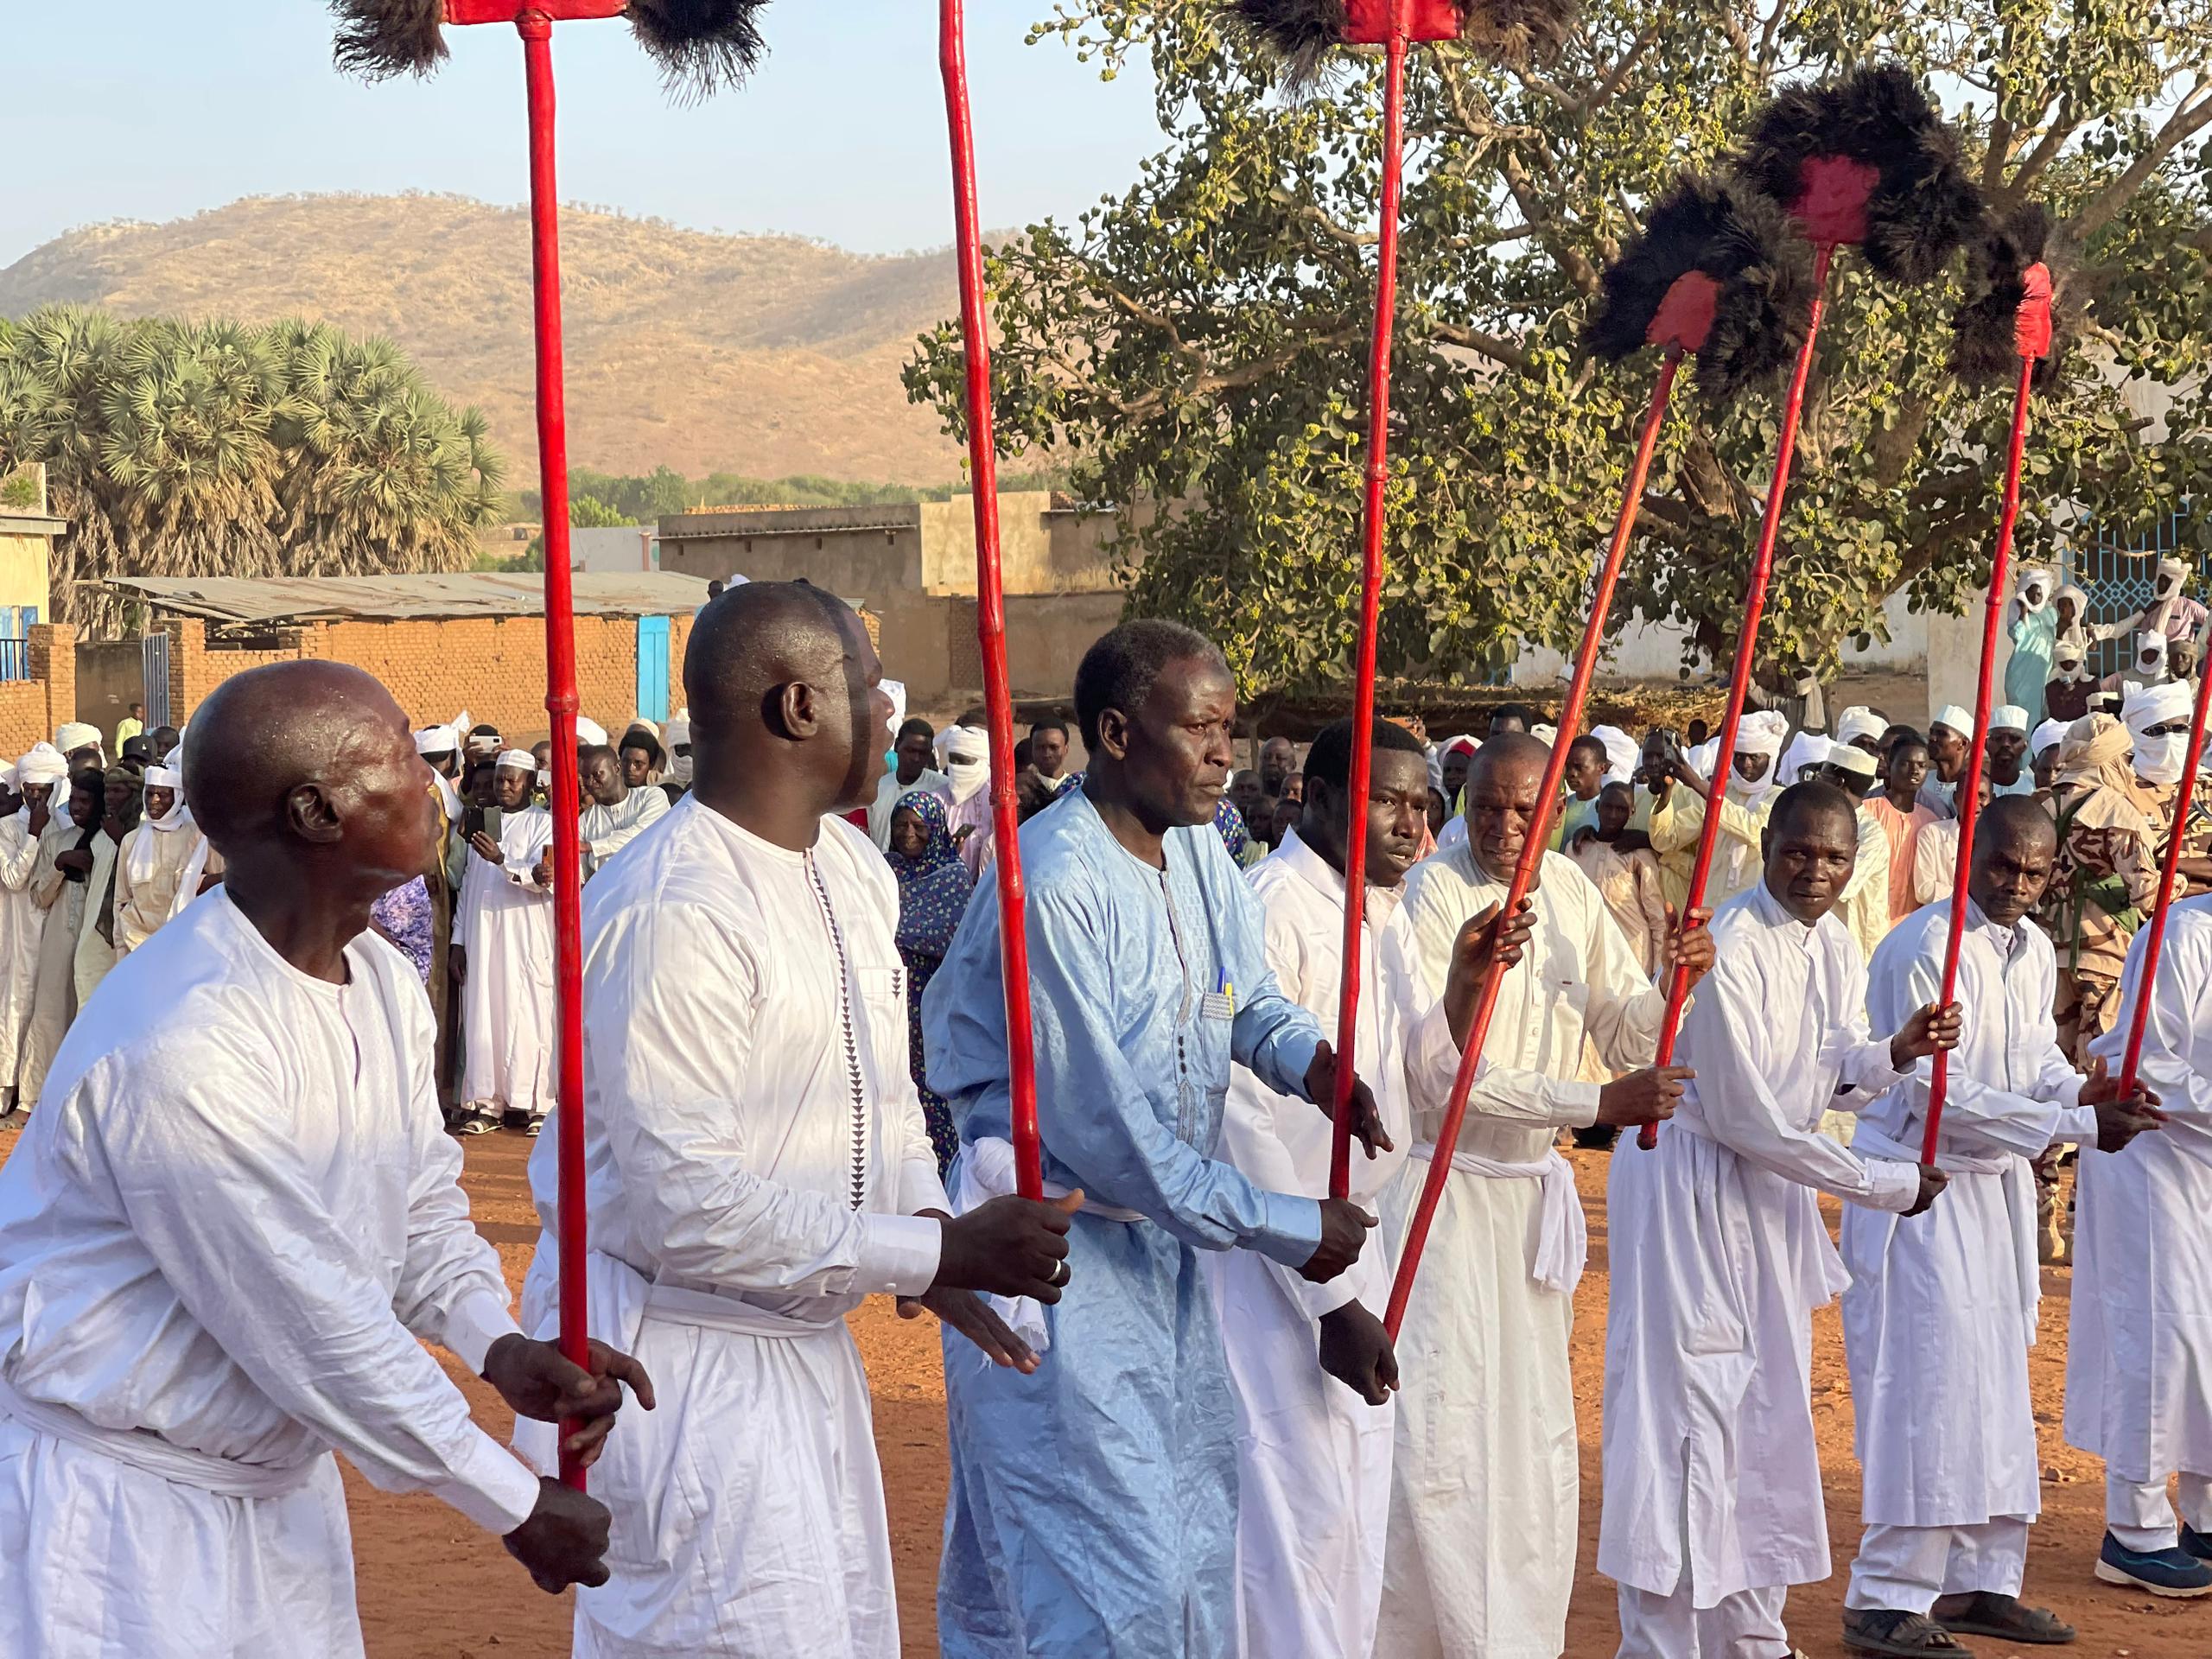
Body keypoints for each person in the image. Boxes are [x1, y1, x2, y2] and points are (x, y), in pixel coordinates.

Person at [0, 660, 645, 1659]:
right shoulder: (184, 1045)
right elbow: (313, 1323)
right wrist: (514, 1499)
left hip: (278, 1502)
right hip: (119, 1531)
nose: (429, 779)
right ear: (315, 810)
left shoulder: (381, 980)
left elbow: (419, 1205)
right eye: (396, 751)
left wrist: (497, 1343)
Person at [518, 581, 1074, 1659]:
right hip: (682, 1372)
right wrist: (930, 1247)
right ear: (797, 708)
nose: (886, 710)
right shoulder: (675, 908)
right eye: (867, 685)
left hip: (803, 1355)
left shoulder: (853, 868)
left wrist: (926, 1231)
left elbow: (886, 1092)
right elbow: (689, 1209)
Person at [927, 619, 1384, 1658]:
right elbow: (1111, 1137)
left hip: (1166, 1263)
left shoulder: (1202, 856)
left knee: (1185, 1544)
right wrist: (1289, 1228)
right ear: (1118, 733)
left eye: (1231, 729)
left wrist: (1311, 1063)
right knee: (1090, 1571)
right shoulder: (1054, 883)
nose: (1227, 755)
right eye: (1203, 729)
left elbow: (1245, 997)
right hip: (1053, 1253)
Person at [1601, 783, 1956, 1658]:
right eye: (1800, 852)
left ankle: (1750, 1633)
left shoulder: (1832, 941)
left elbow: (1828, 1066)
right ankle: (1662, 1642)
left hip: (1769, 1199)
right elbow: (1746, 1118)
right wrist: (1882, 1184)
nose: (1816, 871)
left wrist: (1893, 1052)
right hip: (1692, 1192)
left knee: (1767, 1410)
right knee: (1683, 1414)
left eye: (1834, 857)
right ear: (1767, 848)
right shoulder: (1724, 943)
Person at [1386, 733, 1713, 1659]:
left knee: (1527, 1439)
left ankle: (1511, 1639)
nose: (1501, 826)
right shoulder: (1428, 895)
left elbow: (1630, 1035)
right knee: (1438, 1433)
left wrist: (1679, 979)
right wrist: (1594, 1104)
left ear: (1556, 809)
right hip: (1441, 1201)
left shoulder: (1569, 891)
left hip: (1529, 1204)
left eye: (1523, 811)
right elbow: (1443, 1079)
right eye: (1484, 805)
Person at [1214, 717, 1525, 1659]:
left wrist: (1465, 989)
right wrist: (1329, 1296)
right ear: (1315, 797)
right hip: (1281, 1261)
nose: (1409, 825)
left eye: (1419, 804)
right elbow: (1234, 1115)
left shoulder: (1382, 916)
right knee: (1289, 1521)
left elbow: (1415, 1097)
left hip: (1363, 1237)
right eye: (1385, 801)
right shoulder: (1268, 907)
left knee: (1352, 1511)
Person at [1840, 797, 2166, 1656]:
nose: (2015, 885)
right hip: (1923, 1187)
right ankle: (1884, 1594)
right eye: (2000, 866)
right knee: (1923, 1389)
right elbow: (1936, 1096)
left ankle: (1978, 1582)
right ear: (1969, 856)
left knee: (1991, 1392)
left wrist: (2080, 1094)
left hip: (1993, 1197)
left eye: (2032, 870)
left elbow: (2030, 1065)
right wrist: (2078, 1128)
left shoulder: (2026, 950)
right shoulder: (1921, 948)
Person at [2069, 893, 2212, 1594]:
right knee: (2159, 1342)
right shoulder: (2183, 934)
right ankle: (2135, 1531)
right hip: (2156, 1159)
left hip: (2209, 1167)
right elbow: (2145, 1061)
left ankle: (2206, 1520)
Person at [453, 752, 557, 1136]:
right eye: (500, 780)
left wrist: (502, 859)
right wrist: (459, 942)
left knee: (531, 1016)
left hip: (526, 938)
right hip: (484, 939)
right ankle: (487, 1104)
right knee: (484, 1016)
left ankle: (538, 1106)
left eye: (513, 780)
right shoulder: (482, 823)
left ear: (530, 784)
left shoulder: (546, 824)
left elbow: (546, 878)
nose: (504, 787)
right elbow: (467, 887)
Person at [2045, 714, 2160, 1062]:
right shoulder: (2113, 810)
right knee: (2100, 1060)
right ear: (2107, 760)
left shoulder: (2040, 804)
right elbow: (2147, 896)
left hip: (2049, 950)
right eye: (2124, 758)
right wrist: (2186, 884)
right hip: (2104, 953)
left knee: (2055, 1061)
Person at [887, 790, 976, 1172]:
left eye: (919, 825)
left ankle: (939, 1171)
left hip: (932, 1000)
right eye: (900, 824)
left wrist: (892, 930)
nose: (908, 832)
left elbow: (953, 936)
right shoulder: (881, 869)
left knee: (931, 1087)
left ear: (936, 829)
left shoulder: (952, 877)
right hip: (889, 997)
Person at [14, 768, 100, 1116]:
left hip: (96, 938)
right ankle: (30, 1101)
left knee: (89, 1018)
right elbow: (38, 896)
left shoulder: (111, 842)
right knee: (49, 1015)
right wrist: (62, 865)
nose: (78, 807)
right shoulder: (56, 841)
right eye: (75, 799)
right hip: (59, 938)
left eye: (85, 800)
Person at [1649, 709, 1789, 909]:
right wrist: (1666, 793)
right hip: (1709, 909)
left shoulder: (1779, 797)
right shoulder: (1720, 791)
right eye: (1739, 757)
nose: (1745, 764)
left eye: (1754, 758)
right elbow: (1665, 840)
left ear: (1770, 759)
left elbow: (1755, 831)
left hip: (1752, 913)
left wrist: (1698, 784)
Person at [0, 748, 62, 1122]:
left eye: (43, 792)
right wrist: (33, 834)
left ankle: (35, 1090)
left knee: (46, 1009)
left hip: (53, 931)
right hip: (17, 931)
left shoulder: (66, 824)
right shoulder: (7, 829)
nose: (36, 799)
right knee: (13, 1005)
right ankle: (6, 1089)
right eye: (30, 792)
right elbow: (13, 877)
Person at [112, 762, 218, 954]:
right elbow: (121, 900)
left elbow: (218, 886)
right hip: (136, 945)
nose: (154, 801)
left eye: (163, 795)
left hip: (183, 946)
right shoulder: (132, 840)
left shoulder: (198, 839)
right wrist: (121, 952)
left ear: (177, 798)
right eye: (150, 793)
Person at [1567, 780, 1669, 975]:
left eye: (1621, 809)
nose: (1613, 815)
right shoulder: (1577, 848)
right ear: (1597, 807)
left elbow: (1657, 917)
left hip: (1632, 960)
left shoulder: (1639, 855)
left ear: (1632, 813)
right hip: (1585, 954)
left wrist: (1658, 972)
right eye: (1607, 807)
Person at [1867, 738, 1937, 931]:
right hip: (1869, 920)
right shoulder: (1868, 813)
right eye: (1906, 763)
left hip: (1912, 924)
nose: (1915, 771)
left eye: (1922, 765)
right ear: (1890, 767)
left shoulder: (1931, 822)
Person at [578, 743, 669, 880]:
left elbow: (642, 835)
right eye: (586, 777)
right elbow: (581, 874)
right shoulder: (585, 820)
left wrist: (592, 846)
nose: (591, 782)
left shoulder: (651, 797)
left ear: (617, 768)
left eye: (597, 775)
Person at [1912, 771, 1994, 908]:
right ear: (1956, 798)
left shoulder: (1999, 841)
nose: (1974, 802)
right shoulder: (1932, 834)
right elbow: (1924, 890)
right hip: (1941, 920)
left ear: (1992, 799)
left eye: (1982, 796)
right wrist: (1973, 900)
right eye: (1968, 794)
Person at [870, 717, 947, 850]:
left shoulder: (942, 789)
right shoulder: (878, 787)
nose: (916, 758)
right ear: (897, 746)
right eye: (910, 751)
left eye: (923, 753)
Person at [2005, 570, 2058, 722]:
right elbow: (2017, 635)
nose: (2035, 597)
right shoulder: (2017, 610)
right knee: (2025, 718)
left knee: (2044, 717)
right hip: (2022, 673)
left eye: (2039, 594)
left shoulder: (2051, 613)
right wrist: (2024, 611)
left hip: (2044, 671)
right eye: (2031, 593)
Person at [1919, 705, 1973, 819]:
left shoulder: (1973, 786)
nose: (1932, 738)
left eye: (1942, 734)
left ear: (1963, 744)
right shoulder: (1921, 781)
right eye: (1932, 732)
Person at [1986, 704, 2035, 797]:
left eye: (2014, 738)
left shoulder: (2033, 787)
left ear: (2025, 745)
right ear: (1986, 744)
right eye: (1998, 738)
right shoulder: (1975, 788)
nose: (2005, 744)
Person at [1028, 717, 1071, 787]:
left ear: (1066, 749)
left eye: (1054, 747)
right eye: (1040, 747)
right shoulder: (1022, 791)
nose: (1047, 754)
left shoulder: (1081, 789)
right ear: (1032, 749)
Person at [1258, 734, 1299, 799]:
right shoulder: (1245, 799)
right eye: (1266, 757)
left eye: (1280, 758)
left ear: (1293, 765)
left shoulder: (1303, 804)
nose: (1272, 762)